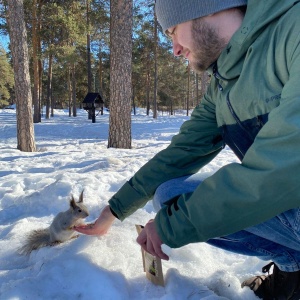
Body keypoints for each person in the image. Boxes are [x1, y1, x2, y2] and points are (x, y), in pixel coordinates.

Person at [75, 0, 300, 298]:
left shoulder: (292, 31)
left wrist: (172, 226)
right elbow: (180, 155)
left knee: (178, 210)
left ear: (205, 7)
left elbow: (282, 168)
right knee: (170, 195)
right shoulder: (223, 85)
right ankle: (295, 269)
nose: (175, 50)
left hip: (286, 183)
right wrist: (113, 211)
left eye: (173, 31)